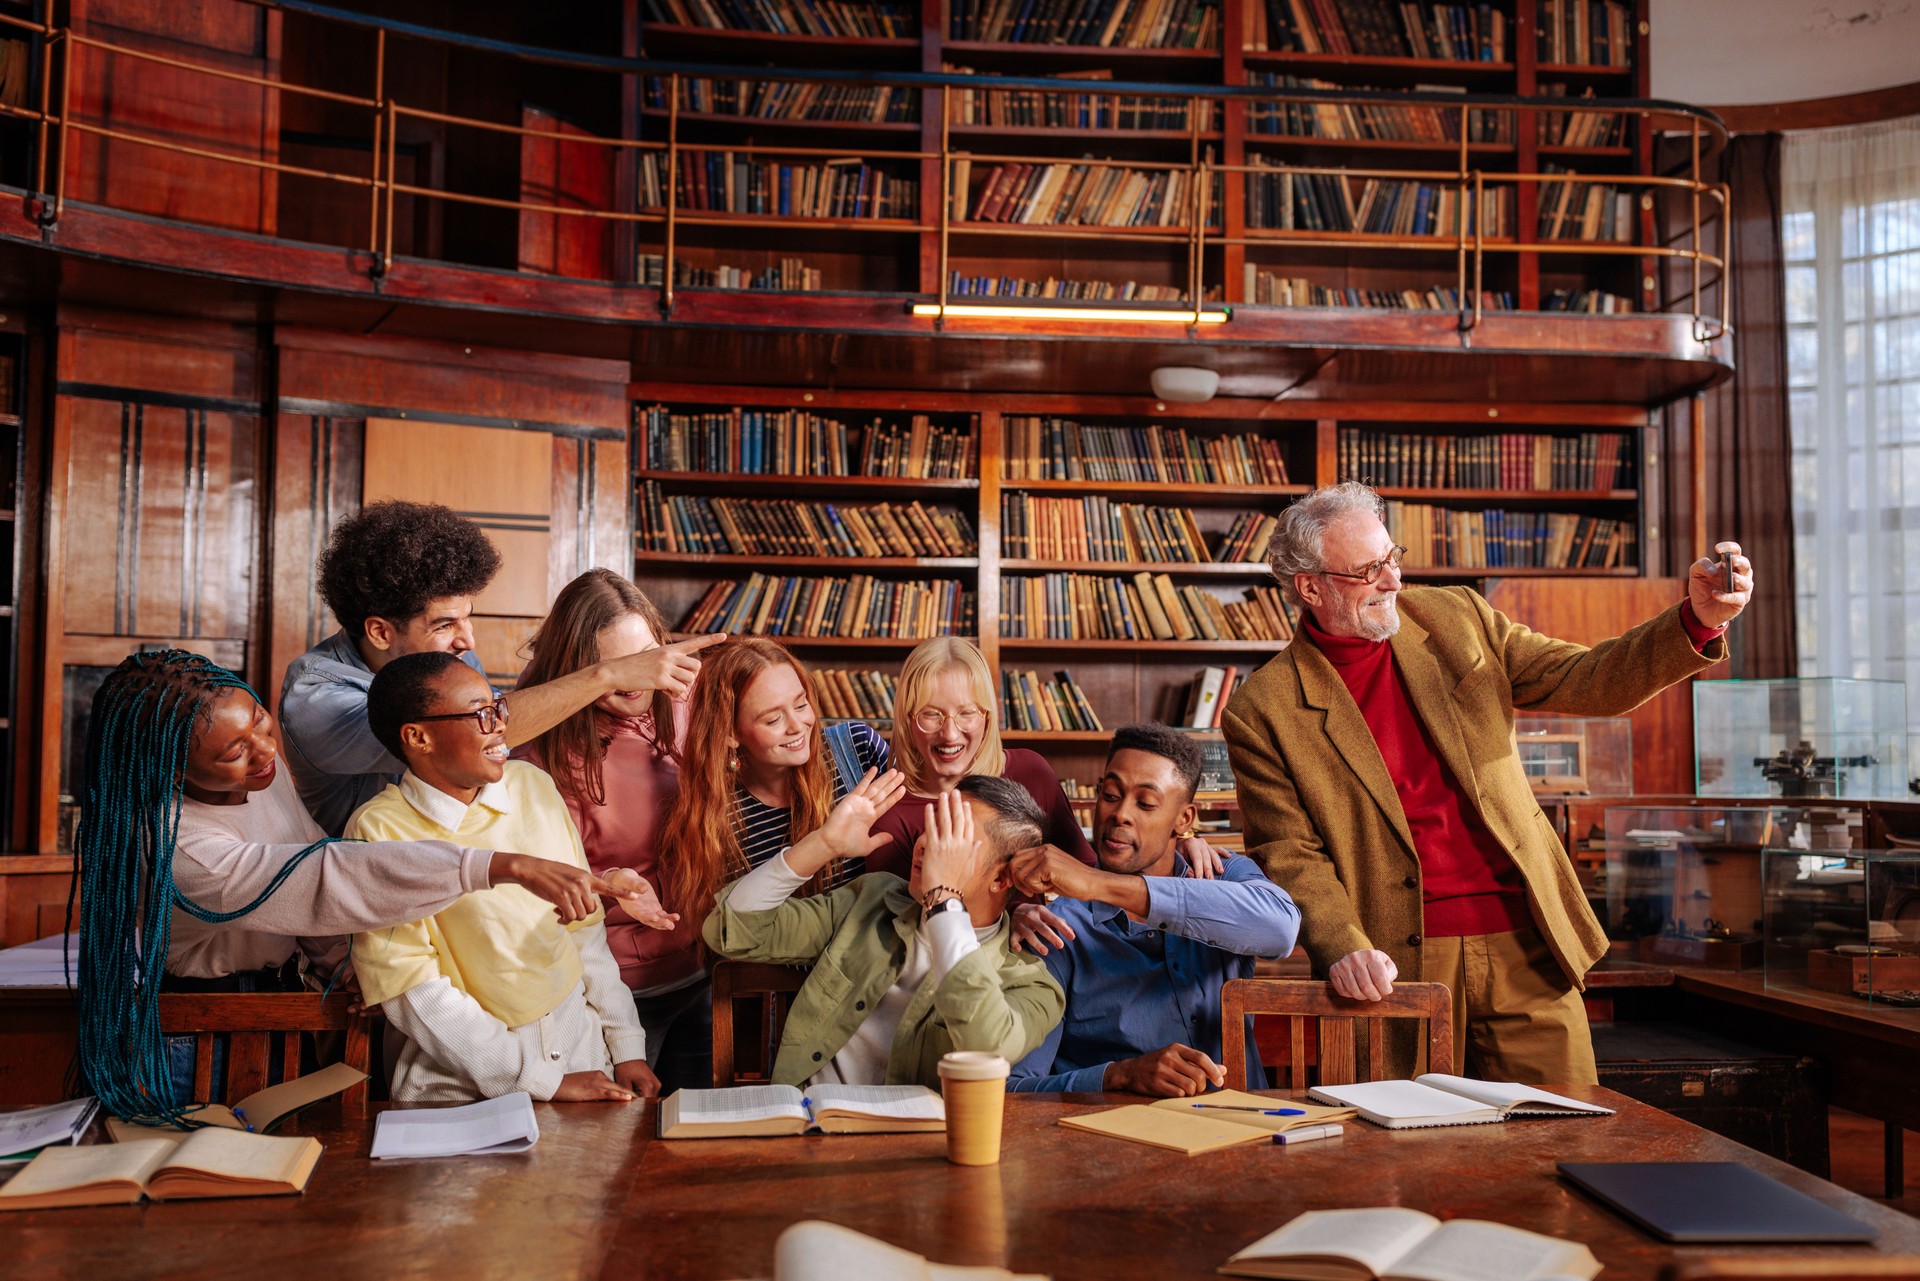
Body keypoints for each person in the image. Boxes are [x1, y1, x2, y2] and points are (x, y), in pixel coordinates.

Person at [1222, 481, 1749, 1083]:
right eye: (1368, 571)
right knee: (1410, 1162)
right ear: (1309, 587)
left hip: (1528, 938)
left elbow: (1586, 678)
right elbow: (1289, 852)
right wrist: (1339, 943)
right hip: (1393, 957)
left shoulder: (1456, 617)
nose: (1393, 581)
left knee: (1562, 1138)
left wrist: (1697, 622)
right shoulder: (1261, 708)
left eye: (1391, 558)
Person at [75, 649, 634, 1124]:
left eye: (260, 722)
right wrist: (497, 866)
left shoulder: (257, 778)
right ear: (172, 769)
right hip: (202, 1032)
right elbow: (321, 880)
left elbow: (313, 866)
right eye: (233, 751)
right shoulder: (179, 844)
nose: (266, 751)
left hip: (284, 1005)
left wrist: (348, 969)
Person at [279, 499, 721, 834]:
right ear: (379, 632)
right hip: (363, 889)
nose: (468, 641)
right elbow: (479, 733)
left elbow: (505, 721)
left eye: (467, 616)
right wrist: (610, 673)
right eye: (445, 623)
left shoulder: (446, 658)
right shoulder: (316, 697)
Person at [348, 652, 674, 1103]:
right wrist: (541, 1082)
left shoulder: (532, 786)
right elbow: (412, 991)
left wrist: (626, 1048)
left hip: (582, 1057)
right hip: (460, 1087)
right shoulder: (378, 830)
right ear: (418, 736)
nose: (501, 724)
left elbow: (583, 935)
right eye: (481, 714)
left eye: (497, 706)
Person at [703, 775, 1066, 1088]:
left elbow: (987, 1045)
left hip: (912, 1154)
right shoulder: (870, 899)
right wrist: (823, 844)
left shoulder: (1031, 984)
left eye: (950, 836)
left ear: (1001, 879)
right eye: (933, 824)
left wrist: (943, 898)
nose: (925, 842)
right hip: (806, 1125)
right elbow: (730, 930)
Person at [1006, 723, 1300, 1095]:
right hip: (1116, 1143)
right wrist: (1118, 1076)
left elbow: (1282, 930)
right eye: (1110, 795)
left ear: (1184, 820)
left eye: (1145, 804)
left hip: (1245, 1132)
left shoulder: (1222, 874)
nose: (1121, 814)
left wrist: (1097, 884)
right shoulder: (1056, 929)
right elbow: (1013, 1088)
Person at [513, 568, 710, 1093]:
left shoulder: (684, 705)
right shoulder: (541, 756)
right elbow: (545, 898)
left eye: (648, 658)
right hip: (608, 994)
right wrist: (616, 889)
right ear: (579, 670)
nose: (642, 680)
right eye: (619, 667)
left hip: (698, 972)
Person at [658, 637, 890, 942]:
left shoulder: (857, 750)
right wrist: (824, 845)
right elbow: (732, 931)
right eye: (773, 718)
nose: (798, 725)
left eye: (801, 704)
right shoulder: (716, 817)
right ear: (730, 733)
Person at [865, 637, 1094, 875]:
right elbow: (901, 910)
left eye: (967, 712)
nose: (950, 734)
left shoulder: (1031, 772)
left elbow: (1084, 875)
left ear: (987, 716)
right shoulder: (889, 814)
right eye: (931, 714)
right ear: (907, 719)